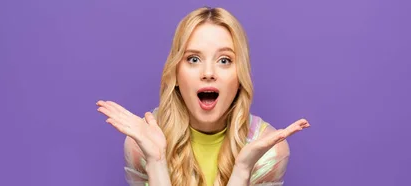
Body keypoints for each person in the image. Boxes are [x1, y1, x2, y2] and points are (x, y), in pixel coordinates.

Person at [96, 6, 310, 186]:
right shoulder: (142, 143)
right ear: (176, 74)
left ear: (240, 76)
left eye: (224, 60)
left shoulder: (268, 150)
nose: (208, 73)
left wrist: (242, 171)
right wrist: (156, 163)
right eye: (193, 59)